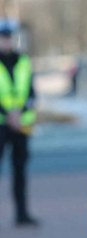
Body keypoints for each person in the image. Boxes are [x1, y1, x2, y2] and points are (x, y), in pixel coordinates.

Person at [0, 21, 38, 226]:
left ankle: (22, 214)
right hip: (2, 124)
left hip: (21, 125)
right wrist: (8, 114)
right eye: (3, 38)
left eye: (8, 38)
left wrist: (20, 113)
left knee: (20, 170)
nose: (6, 42)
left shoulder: (23, 61)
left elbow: (31, 92)